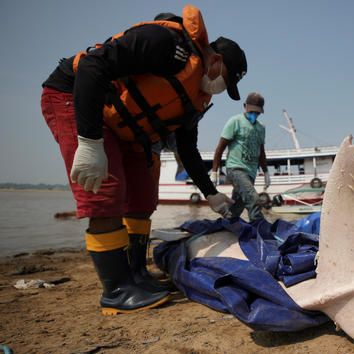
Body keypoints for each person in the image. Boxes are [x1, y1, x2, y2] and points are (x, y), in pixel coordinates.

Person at [40, 5, 247, 315]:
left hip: (125, 128)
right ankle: (117, 290)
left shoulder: (195, 98)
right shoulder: (163, 42)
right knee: (105, 191)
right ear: (215, 60)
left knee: (143, 194)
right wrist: (89, 140)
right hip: (75, 96)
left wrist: (211, 193)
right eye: (224, 82)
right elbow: (92, 67)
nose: (219, 91)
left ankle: (136, 274)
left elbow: (187, 148)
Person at [211, 92, 270, 222]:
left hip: (251, 171)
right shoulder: (235, 122)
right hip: (235, 168)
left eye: (257, 112)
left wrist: (266, 172)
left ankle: (227, 223)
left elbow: (261, 151)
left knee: (238, 205)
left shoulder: (261, 128)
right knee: (253, 199)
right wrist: (214, 171)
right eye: (252, 111)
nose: (254, 114)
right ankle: (259, 230)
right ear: (245, 106)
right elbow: (220, 148)